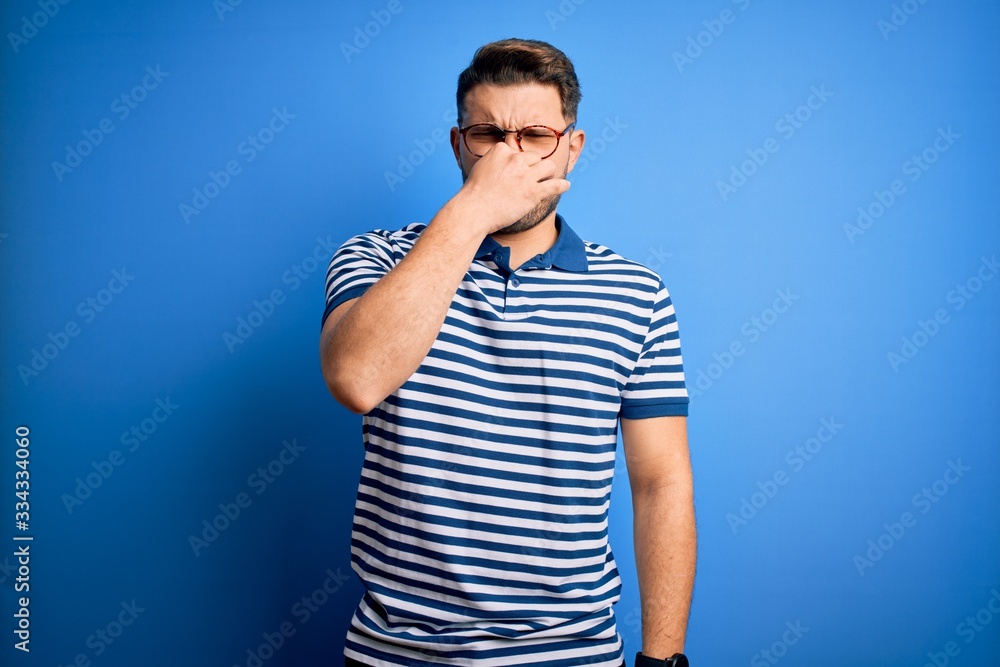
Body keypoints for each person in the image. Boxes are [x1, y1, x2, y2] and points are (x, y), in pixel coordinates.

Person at [319, 38, 695, 667]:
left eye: (535, 136)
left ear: (572, 147)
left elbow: (661, 484)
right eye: (488, 135)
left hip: (571, 652)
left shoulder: (637, 293)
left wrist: (664, 662)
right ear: (457, 144)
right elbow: (355, 379)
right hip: (397, 652)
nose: (509, 158)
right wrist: (473, 210)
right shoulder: (376, 258)